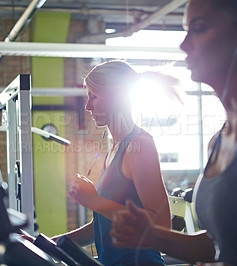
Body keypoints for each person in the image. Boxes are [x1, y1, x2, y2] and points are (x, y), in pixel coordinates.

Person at [110, 0, 237, 265]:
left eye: (200, 28)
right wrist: (151, 236)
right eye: (186, 29)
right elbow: (220, 245)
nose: (184, 44)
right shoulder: (219, 140)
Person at [50, 60, 183, 266]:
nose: (87, 106)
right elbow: (102, 225)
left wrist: (95, 201)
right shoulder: (113, 149)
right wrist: (49, 244)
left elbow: (162, 223)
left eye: (94, 96)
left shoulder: (139, 145)